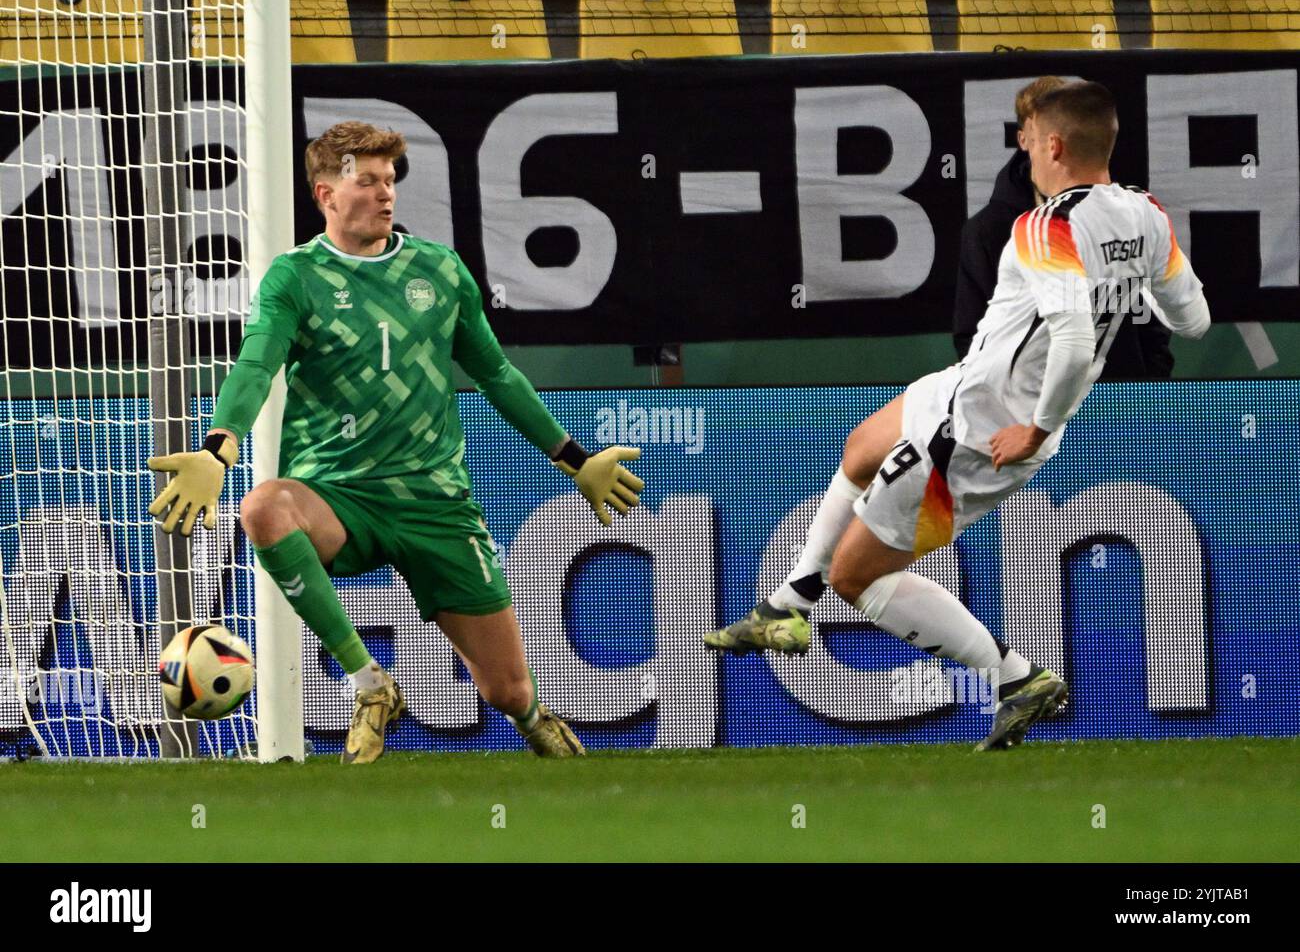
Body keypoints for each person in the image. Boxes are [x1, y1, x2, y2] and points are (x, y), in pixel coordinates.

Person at [706, 82, 1211, 750]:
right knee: (861, 448)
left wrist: (1033, 428)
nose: (1024, 151)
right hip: (968, 385)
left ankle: (1014, 677)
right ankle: (788, 608)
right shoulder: (1145, 215)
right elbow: (1194, 319)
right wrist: (1131, 287)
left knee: (857, 577)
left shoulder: (1047, 226)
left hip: (975, 433)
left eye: (1029, 140)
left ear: (1056, 146)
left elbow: (1073, 341)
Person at [147, 121, 644, 763]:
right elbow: (256, 365)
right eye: (368, 181)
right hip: (338, 496)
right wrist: (218, 448)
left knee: (505, 688)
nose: (386, 194)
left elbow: (494, 372)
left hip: (434, 501)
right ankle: (370, 683)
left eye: (390, 181)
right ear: (326, 193)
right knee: (263, 507)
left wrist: (572, 457)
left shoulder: (439, 270)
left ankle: (533, 718)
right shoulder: (295, 277)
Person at [954, 77, 1174, 378]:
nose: (1051, 142)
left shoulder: (1127, 214)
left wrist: (1143, 386)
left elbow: (1150, 320)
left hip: (1121, 403)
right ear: (1023, 139)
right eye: (1040, 131)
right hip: (1030, 415)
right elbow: (973, 336)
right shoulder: (987, 232)